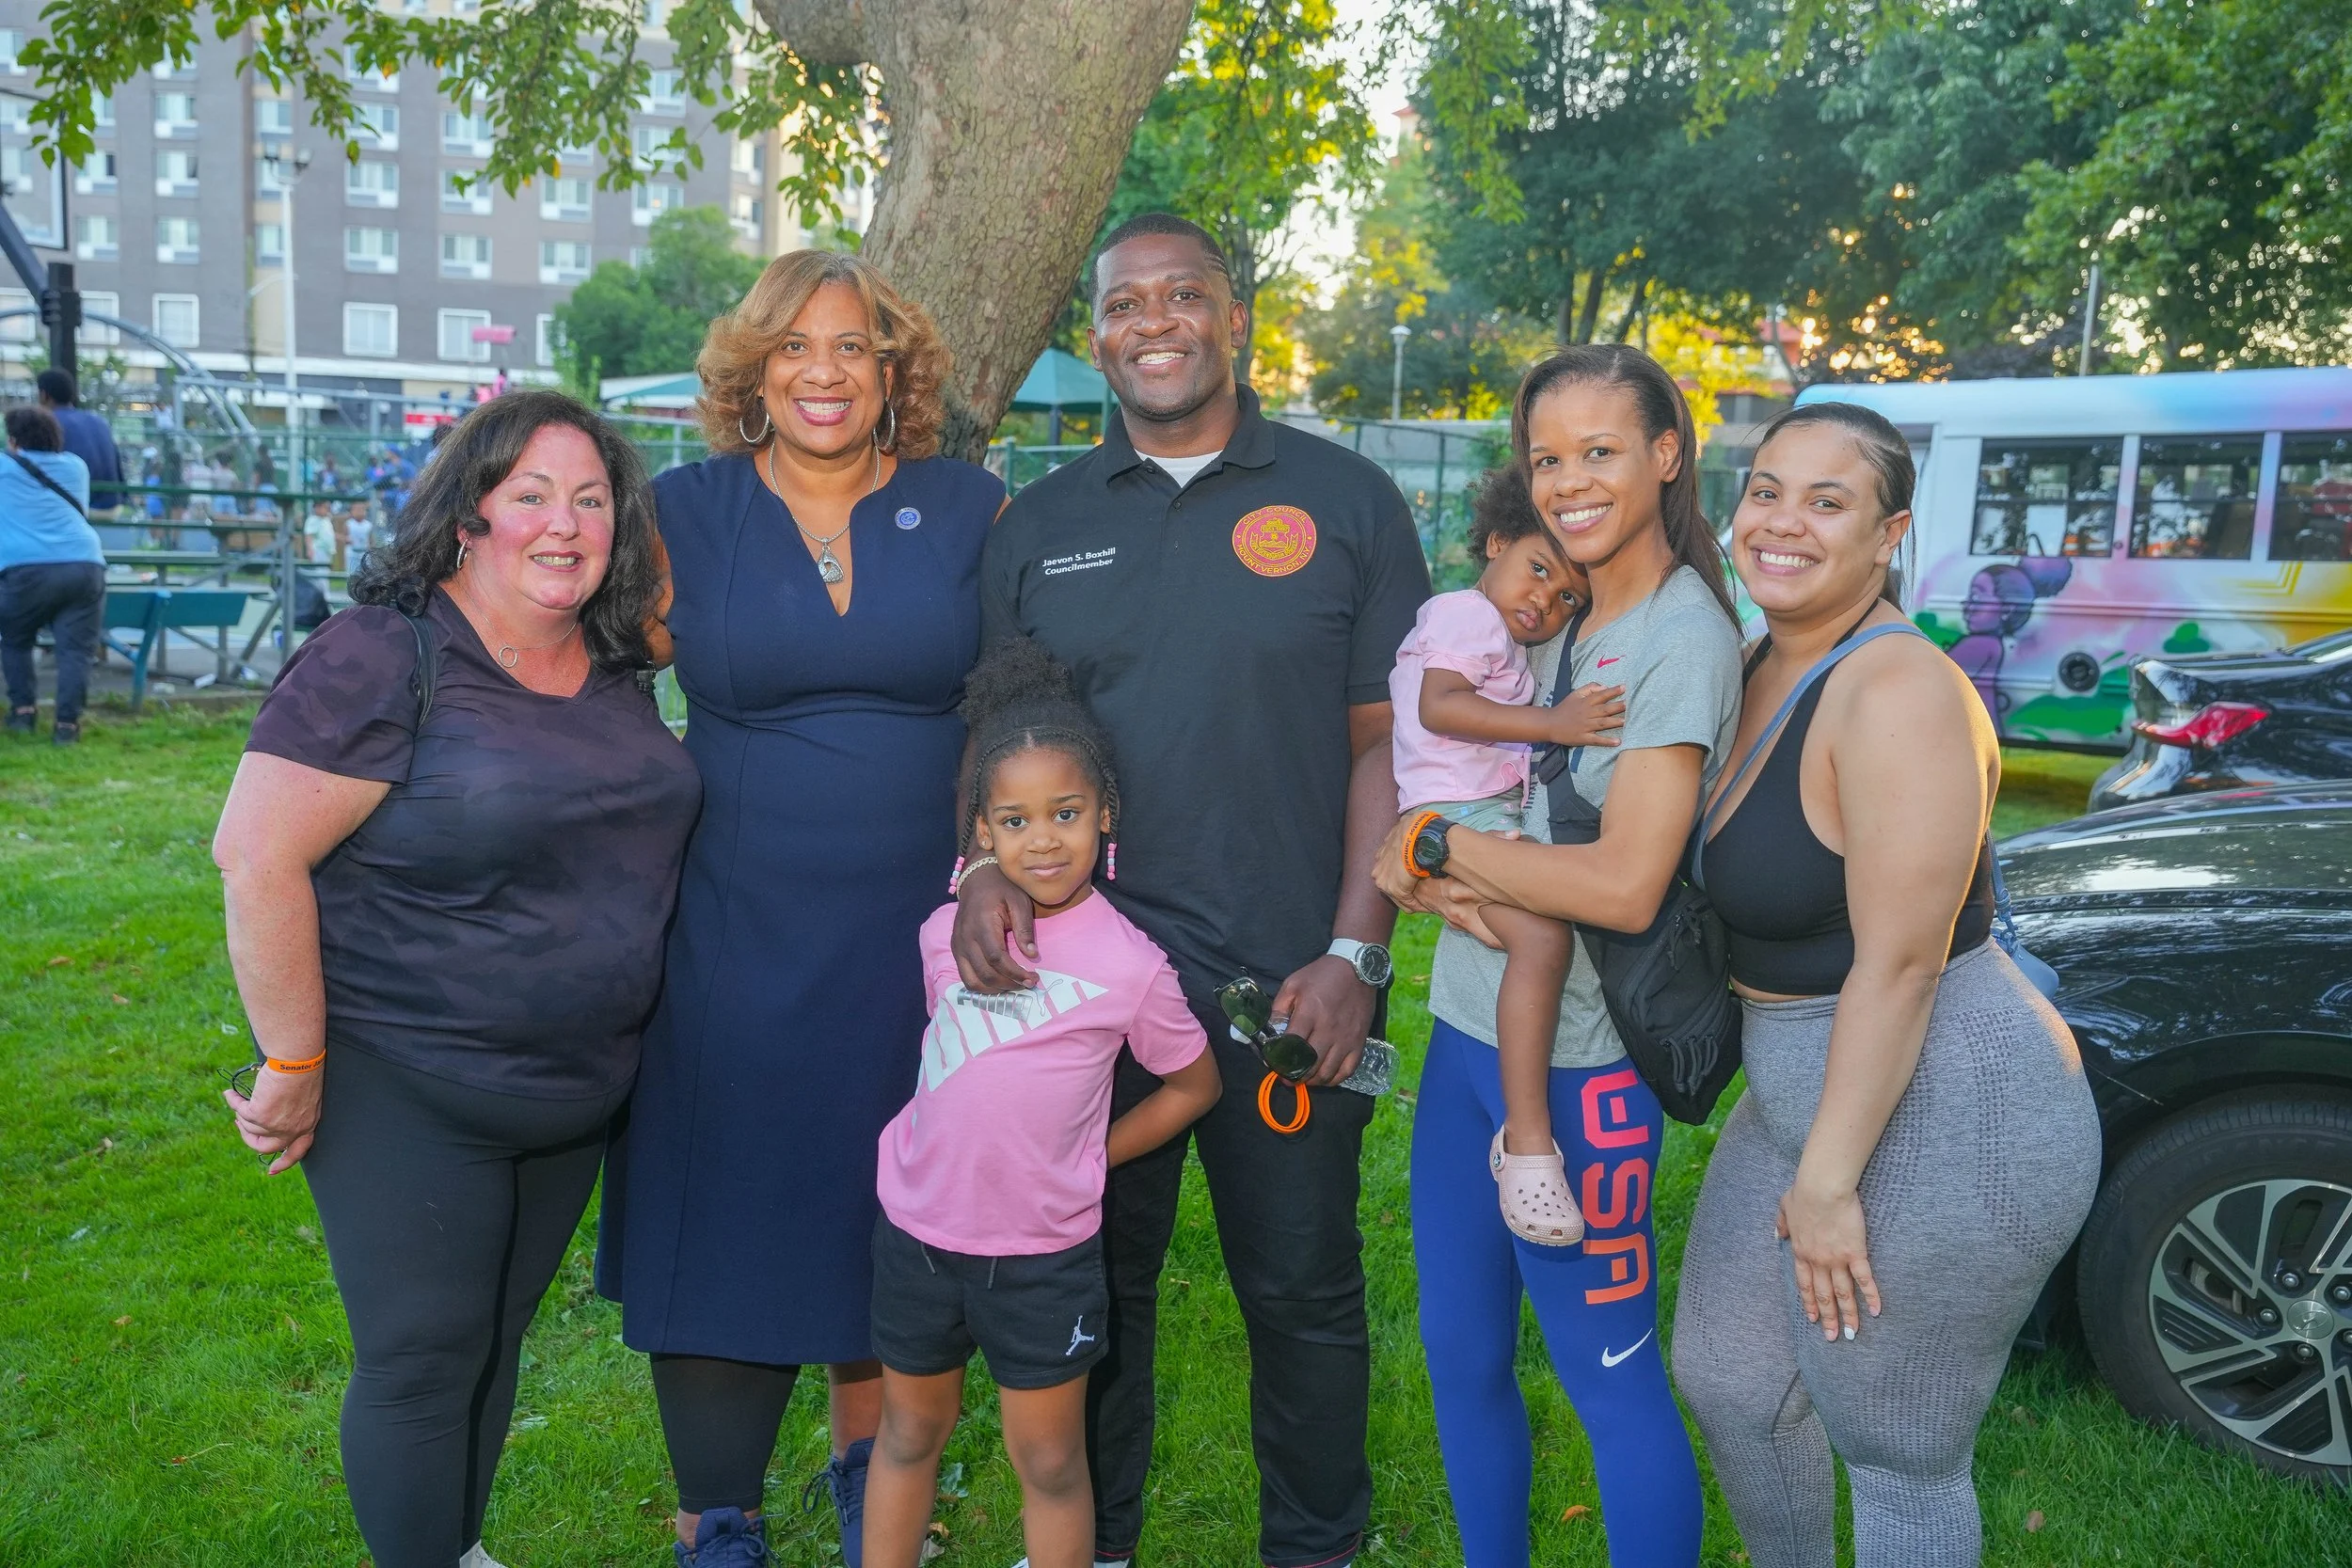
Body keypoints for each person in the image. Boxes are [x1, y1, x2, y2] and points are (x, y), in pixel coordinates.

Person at [961, 213, 1429, 1568]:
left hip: (1291, 980)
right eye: (1123, 303)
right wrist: (989, 864)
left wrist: (1358, 948)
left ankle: (1316, 1547)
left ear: (1235, 316)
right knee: (1093, 1287)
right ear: (1094, 330)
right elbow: (1002, 746)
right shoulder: (1037, 525)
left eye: (1184, 296)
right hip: (1084, 989)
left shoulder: (1349, 503)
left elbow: (1382, 746)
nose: (1153, 322)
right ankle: (1095, 1545)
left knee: (1301, 1288)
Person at [211, 389, 700, 1568]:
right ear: (468, 513)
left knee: (492, 1341)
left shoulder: (621, 657)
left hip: (574, 1090)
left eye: (591, 498)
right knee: (425, 1356)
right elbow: (258, 850)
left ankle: (454, 1546)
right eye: (528, 493)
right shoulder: (388, 648)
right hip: (409, 1081)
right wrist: (291, 1060)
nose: (564, 522)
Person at [594, 247, 1005, 1568]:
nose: (823, 371)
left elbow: (1021, 696)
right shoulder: (684, 510)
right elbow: (581, 662)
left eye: (853, 346)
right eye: (794, 346)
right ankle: (718, 1514)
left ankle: (867, 1476)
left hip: (917, 940)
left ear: (896, 373)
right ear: (753, 370)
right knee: (728, 1194)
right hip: (730, 927)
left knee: (883, 1204)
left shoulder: (969, 507)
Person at [1669, 403, 2101, 1568]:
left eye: (1828, 500)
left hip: (1956, 1102)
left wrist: (1826, 1184)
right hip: (1802, 1085)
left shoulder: (1897, 689)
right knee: (1729, 1377)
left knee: (1893, 1438)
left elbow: (1902, 963)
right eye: (1765, 489)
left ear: (1887, 533)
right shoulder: (1755, 661)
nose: (1783, 521)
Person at [1372, 344, 1743, 1568]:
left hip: (1583, 1071)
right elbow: (1450, 755)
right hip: (1471, 1034)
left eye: (1600, 451)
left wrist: (1430, 847)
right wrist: (1434, 846)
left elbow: (1626, 886)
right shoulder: (1553, 606)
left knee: (1609, 1377)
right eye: (1546, 456)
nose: (1569, 481)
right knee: (1463, 1354)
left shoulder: (1678, 635)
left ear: (1665, 455)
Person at [864, 637, 1223, 1568]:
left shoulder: (1131, 965)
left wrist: (1097, 1151)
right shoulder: (945, 931)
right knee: (907, 1433)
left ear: (1105, 813)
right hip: (920, 1235)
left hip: (1043, 1256)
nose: (1044, 838)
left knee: (1052, 1458)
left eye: (1065, 812)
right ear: (980, 831)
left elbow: (1194, 1082)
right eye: (1014, 819)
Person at [1389, 467, 1620, 1246]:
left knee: (1539, 938)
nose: (1544, 601)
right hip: (1455, 812)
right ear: (1496, 542)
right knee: (1545, 936)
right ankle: (1526, 1144)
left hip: (1469, 811)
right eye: (1538, 569)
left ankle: (1517, 1127)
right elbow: (1440, 706)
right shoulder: (1465, 613)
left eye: (1565, 600)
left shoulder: (1501, 637)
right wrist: (1554, 722)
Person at [1, 405, 105, 745]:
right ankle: (67, 727)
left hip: (25, 569)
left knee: (16, 640)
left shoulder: (4, 466)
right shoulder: (76, 467)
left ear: (14, 440)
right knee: (75, 651)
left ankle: (23, 713)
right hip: (84, 564)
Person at [36, 368, 123, 517]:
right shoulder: (98, 421)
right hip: (112, 506)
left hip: (76, 507)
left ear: (44, 395)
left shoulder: (48, 423)